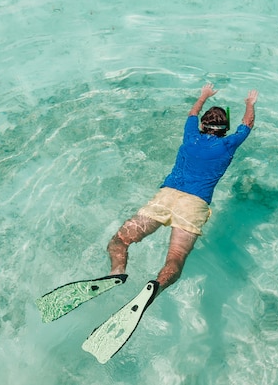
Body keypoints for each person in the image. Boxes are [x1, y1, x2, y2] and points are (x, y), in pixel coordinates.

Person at [106, 83, 258, 294]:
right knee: (176, 258)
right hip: (194, 205)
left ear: (202, 126)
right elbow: (247, 123)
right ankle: (156, 288)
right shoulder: (228, 144)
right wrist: (250, 103)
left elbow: (192, 113)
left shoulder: (190, 135)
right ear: (225, 130)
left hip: (166, 196)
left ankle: (117, 271)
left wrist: (204, 95)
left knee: (120, 241)